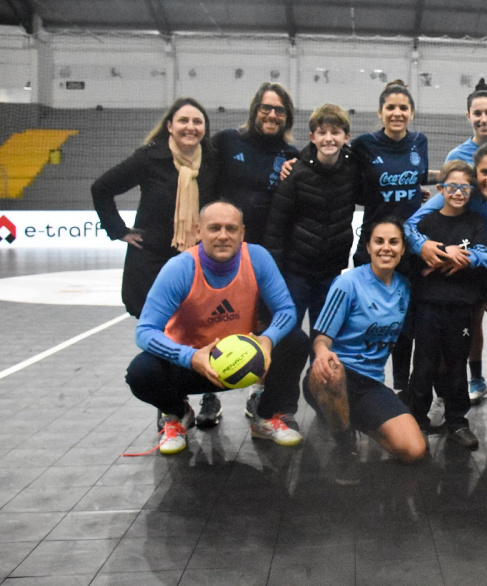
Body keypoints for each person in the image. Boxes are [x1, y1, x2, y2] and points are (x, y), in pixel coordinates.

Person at [125, 201, 309, 455]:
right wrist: (190, 357)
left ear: (242, 233)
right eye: (214, 228)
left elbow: (286, 311)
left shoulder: (257, 257)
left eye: (231, 229)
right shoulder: (180, 269)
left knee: (296, 341)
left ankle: (265, 416)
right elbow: (145, 331)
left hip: (245, 363)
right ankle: (178, 414)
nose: (223, 235)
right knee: (140, 372)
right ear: (198, 231)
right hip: (192, 366)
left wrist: (267, 340)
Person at [92, 97, 221, 429]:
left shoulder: (213, 162)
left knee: (202, 329)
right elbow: (101, 188)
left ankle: (209, 394)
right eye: (184, 121)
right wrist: (118, 230)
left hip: (197, 261)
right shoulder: (149, 157)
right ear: (170, 126)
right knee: (162, 334)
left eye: (198, 121)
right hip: (153, 261)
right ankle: (172, 406)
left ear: (204, 128)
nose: (191, 127)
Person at [406, 143, 487, 421]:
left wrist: (470, 257)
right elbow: (409, 226)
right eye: (484, 172)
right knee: (459, 332)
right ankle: (451, 392)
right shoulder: (462, 191)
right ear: (475, 173)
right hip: (459, 272)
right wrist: (427, 248)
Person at [306, 218, 426, 486]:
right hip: (334, 373)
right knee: (333, 373)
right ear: (368, 247)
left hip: (370, 384)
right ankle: (344, 443)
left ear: (403, 249)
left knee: (414, 450)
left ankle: (350, 418)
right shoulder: (348, 283)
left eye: (393, 242)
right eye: (379, 241)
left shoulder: (404, 289)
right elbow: (321, 338)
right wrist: (323, 353)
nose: (386, 248)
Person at [350, 80, 430, 402]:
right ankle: (362, 381)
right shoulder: (363, 144)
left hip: (408, 244)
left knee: (405, 321)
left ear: (411, 112)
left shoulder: (420, 142)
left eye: (403, 108)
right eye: (391, 107)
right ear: (380, 112)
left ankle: (400, 386)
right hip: (373, 241)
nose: (397, 113)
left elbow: (420, 183)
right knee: (366, 317)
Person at [408, 160, 487, 449]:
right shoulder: (425, 224)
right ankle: (417, 419)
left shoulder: (477, 223)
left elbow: (475, 259)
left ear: (471, 190)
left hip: (461, 305)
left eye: (464, 187)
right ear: (441, 188)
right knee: (424, 364)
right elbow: (417, 263)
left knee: (457, 365)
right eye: (452, 186)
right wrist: (448, 253)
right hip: (429, 305)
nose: (458, 192)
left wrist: (438, 261)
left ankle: (457, 421)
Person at [262, 104, 359, 328]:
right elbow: (275, 228)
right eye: (322, 132)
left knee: (324, 337)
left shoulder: (354, 169)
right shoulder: (295, 174)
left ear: (346, 137)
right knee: (288, 334)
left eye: (335, 132)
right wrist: (275, 276)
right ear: (312, 137)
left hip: (331, 272)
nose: (328, 139)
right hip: (295, 273)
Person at [213, 82, 299, 245]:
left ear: (287, 117)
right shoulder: (226, 141)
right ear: (255, 111)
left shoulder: (292, 157)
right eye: (266, 108)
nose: (272, 115)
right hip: (223, 244)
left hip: (265, 250)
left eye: (279, 110)